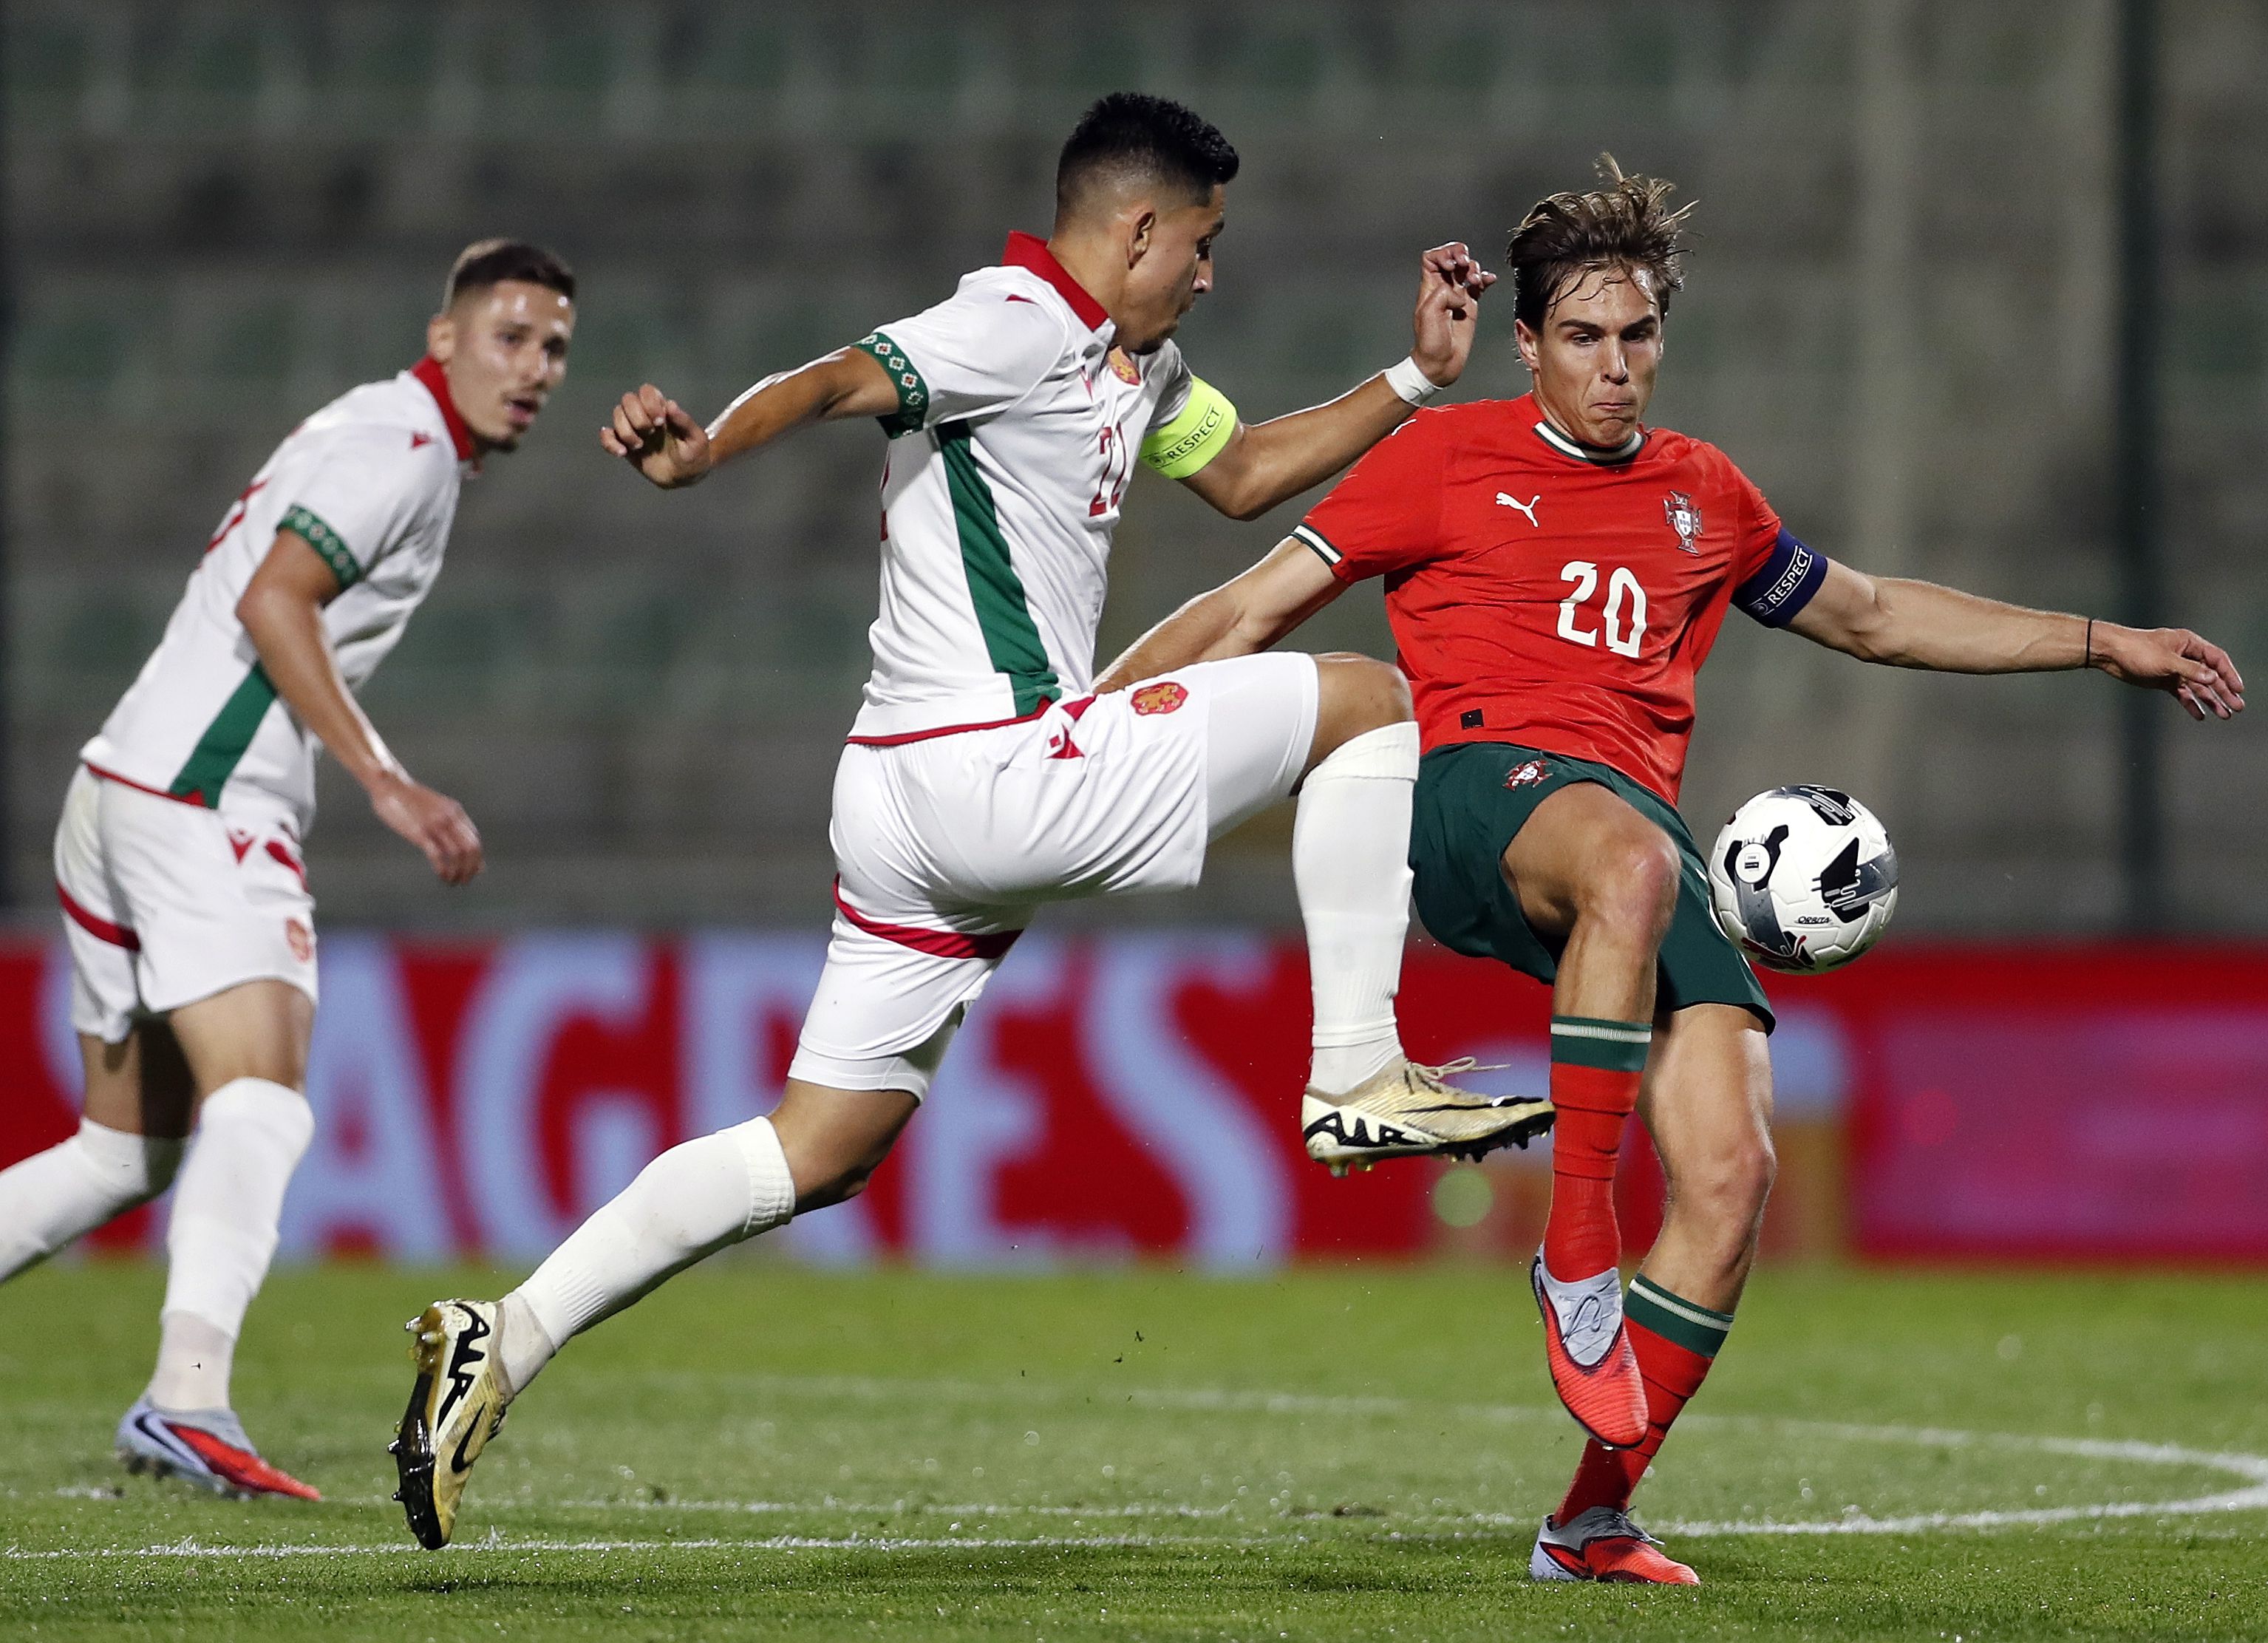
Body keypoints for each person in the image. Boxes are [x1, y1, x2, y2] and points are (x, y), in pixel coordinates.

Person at [389, 92, 1537, 1551]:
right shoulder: (1007, 319)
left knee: (821, 1148)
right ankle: (1356, 1067)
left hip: (901, 799)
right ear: (1138, 227)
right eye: (1201, 243)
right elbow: (833, 379)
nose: (1208, 273)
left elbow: (1244, 473)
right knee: (1370, 700)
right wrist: (703, 451)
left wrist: (1412, 375)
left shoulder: (1138, 361)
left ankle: (505, 1332)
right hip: (987, 771)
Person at [1090, 158, 2247, 1585]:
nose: (1615, 366)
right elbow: (1249, 608)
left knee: (1730, 1174)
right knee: (1634, 864)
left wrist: (2100, 640)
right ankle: (1576, 1245)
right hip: (1478, 800)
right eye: (1583, 337)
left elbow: (1872, 617)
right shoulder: (1443, 459)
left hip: (1632, 843)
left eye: (1637, 335)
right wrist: (1082, 735)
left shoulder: (1705, 493)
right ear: (1526, 345)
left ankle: (1590, 1519)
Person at [0, 240, 576, 1500]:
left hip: (122, 782)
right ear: (444, 338)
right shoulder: (401, 447)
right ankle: (186, 1398)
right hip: (200, 794)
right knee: (261, 1097)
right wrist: (386, 779)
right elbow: (276, 600)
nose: (535, 367)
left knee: (122, 1153)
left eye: (554, 349)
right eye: (510, 337)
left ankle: (183, 1399)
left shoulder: (382, 432)